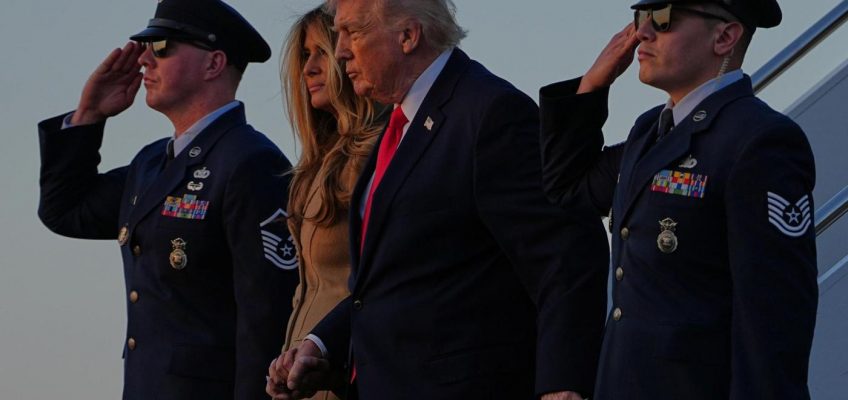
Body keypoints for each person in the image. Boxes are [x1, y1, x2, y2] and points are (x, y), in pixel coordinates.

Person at [266, 1, 609, 399]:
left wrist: (562, 385)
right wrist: (321, 344)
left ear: (408, 36)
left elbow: (565, 255)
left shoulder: (489, 112)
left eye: (352, 33)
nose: (340, 51)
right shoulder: (400, 124)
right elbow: (392, 281)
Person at [538, 0, 818, 399]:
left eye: (664, 19)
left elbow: (774, 317)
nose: (643, 33)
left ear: (725, 37)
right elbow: (569, 191)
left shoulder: (758, 140)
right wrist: (591, 88)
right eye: (642, 17)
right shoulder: (650, 131)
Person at [36, 0, 299, 398]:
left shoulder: (250, 161)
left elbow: (266, 318)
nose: (144, 59)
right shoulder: (151, 164)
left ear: (213, 64)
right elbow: (66, 210)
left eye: (161, 47)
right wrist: (88, 115)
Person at [270, 6, 383, 400]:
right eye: (305, 55)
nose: (309, 68)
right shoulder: (315, 166)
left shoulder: (375, 156)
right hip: (304, 379)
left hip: (350, 377)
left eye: (322, 51)